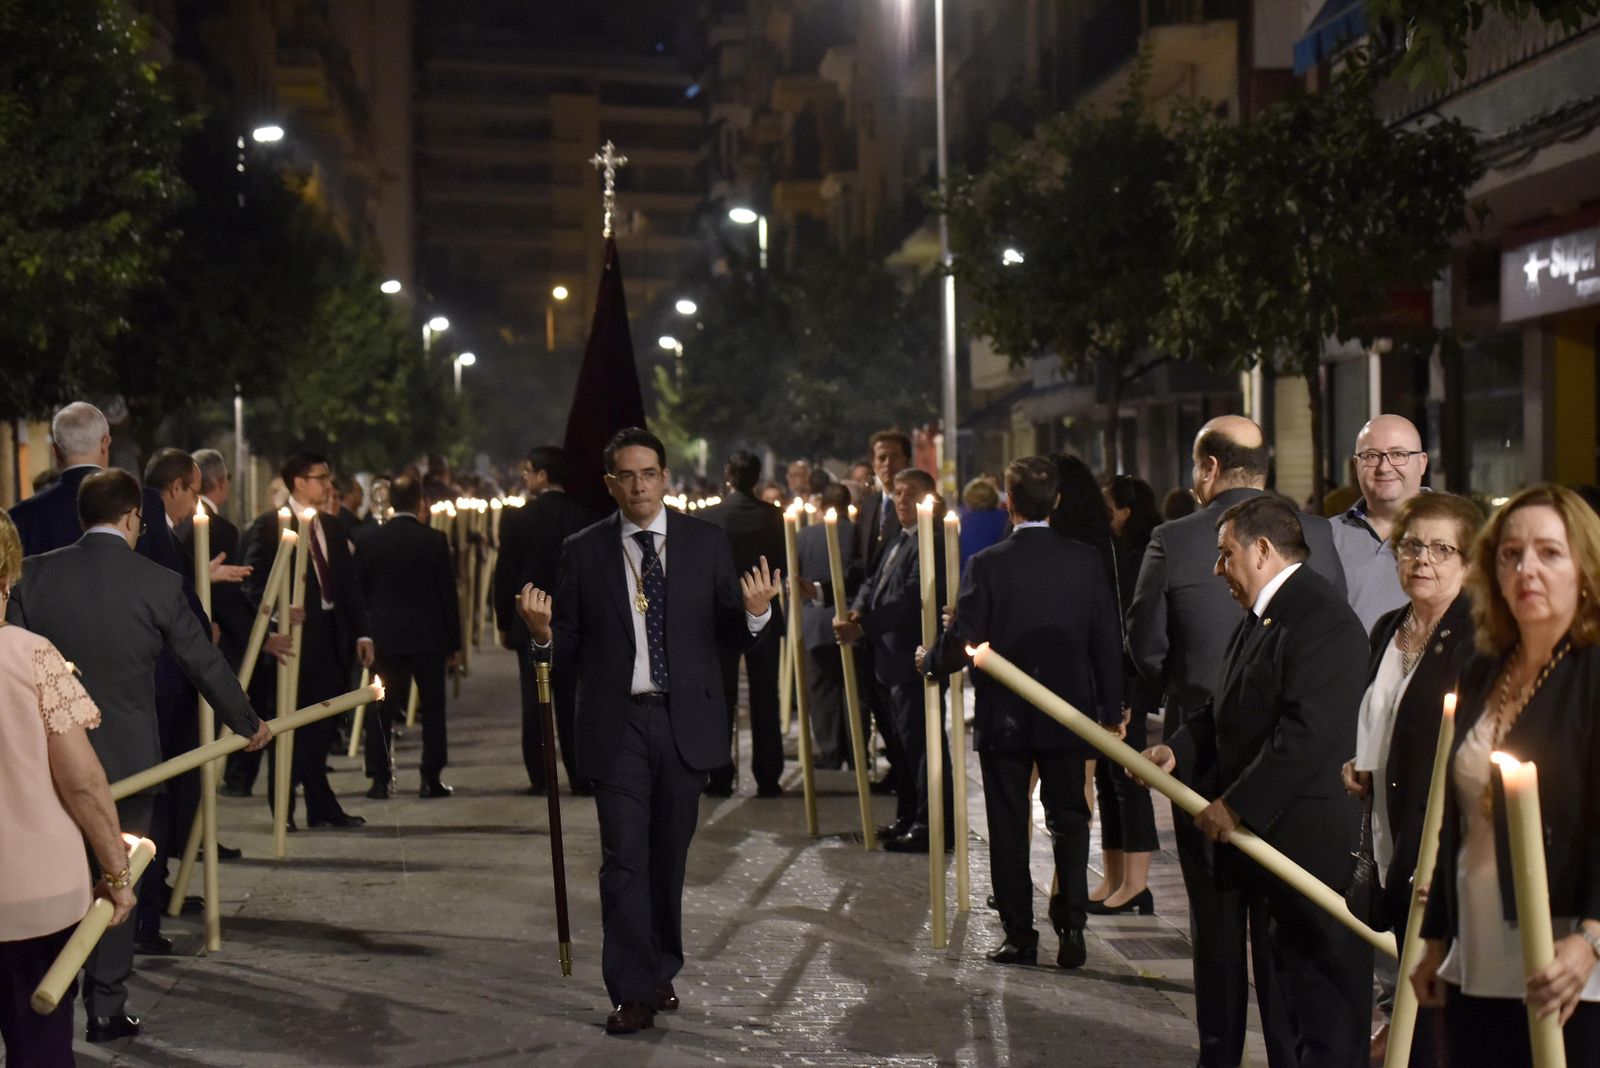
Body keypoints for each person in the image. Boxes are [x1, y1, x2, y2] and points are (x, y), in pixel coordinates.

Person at [515, 427, 780, 1036]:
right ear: (611, 484)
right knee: (624, 859)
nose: (639, 485)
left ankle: (660, 965)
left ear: (666, 478)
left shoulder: (704, 542)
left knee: (667, 856)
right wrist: (543, 635)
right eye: (626, 476)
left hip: (686, 723)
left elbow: (728, 635)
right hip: (617, 725)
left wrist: (758, 612)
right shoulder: (583, 549)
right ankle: (630, 989)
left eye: (649, 473)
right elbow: (571, 644)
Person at [5, 469, 270, 1042]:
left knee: (60, 880)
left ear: (82, 517)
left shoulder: (33, 576)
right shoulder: (157, 581)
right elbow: (203, 661)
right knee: (116, 878)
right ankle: (105, 1006)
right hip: (131, 763)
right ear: (131, 518)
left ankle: (43, 1000)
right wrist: (247, 723)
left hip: (49, 764)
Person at [1125, 414, 1347, 1068]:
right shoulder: (1307, 555)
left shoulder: (1179, 540)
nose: (1220, 569)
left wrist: (1230, 791)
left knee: (1236, 932)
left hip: (1253, 788)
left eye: (1227, 558)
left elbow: (1147, 645)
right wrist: (1183, 743)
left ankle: (1224, 1052)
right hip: (1239, 769)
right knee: (1275, 936)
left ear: (1209, 468)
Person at [1411, 484, 1600, 1066]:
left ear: (1586, 568)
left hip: (1565, 955)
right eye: (1511, 555)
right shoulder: (1484, 665)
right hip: (1477, 946)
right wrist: (1435, 933)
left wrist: (1592, 940)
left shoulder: (1592, 673)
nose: (1528, 570)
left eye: (1549, 553)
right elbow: (1458, 817)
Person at [920, 457, 1123, 969]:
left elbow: (965, 638)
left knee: (1008, 826)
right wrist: (1110, 707)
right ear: (1056, 501)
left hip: (1005, 717)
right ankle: (1072, 925)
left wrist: (929, 662)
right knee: (1070, 819)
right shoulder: (1084, 560)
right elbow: (1106, 639)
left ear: (1009, 503)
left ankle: (1019, 934)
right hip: (1069, 714)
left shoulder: (987, 564)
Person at [1339, 491, 1482, 1065]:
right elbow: (1386, 719)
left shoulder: (1478, 640)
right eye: (1412, 545)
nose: (1423, 559)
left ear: (1468, 564)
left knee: (1442, 1007)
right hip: (1387, 836)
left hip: (1441, 847)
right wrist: (1362, 763)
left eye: (1442, 548)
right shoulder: (1387, 627)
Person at [0, 511, 138, 1064]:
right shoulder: (30, 656)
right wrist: (117, 873)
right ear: (7, 577)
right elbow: (81, 782)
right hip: (33, 898)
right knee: (40, 1046)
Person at [241, 453, 372, 830]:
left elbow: (348, 586)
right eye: (320, 478)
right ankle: (283, 807)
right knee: (287, 726)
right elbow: (252, 583)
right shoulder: (268, 526)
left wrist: (362, 631)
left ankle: (320, 804)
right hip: (294, 641)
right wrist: (278, 614)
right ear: (299, 482)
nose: (328, 486)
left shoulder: (331, 526)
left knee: (322, 726)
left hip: (331, 637)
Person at [834, 466, 950, 852]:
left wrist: (863, 627)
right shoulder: (896, 538)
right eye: (898, 493)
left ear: (929, 499)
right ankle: (908, 813)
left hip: (911, 657)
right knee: (899, 746)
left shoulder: (933, 541)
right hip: (886, 659)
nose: (902, 500)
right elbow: (873, 581)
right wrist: (857, 609)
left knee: (921, 745)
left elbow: (910, 599)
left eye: (911, 493)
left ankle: (931, 822)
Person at [494, 446, 592, 794]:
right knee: (571, 700)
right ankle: (580, 774)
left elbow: (505, 573)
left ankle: (541, 777)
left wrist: (504, 621)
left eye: (529, 471)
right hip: (571, 621)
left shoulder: (519, 518)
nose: (525, 477)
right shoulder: (583, 516)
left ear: (544, 476)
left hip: (529, 618)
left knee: (535, 701)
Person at [357, 474, 460, 799]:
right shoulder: (434, 540)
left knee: (381, 710)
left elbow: (362, 592)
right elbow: (448, 594)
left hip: (386, 637)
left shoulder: (370, 539)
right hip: (429, 638)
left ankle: (378, 778)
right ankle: (431, 777)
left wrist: (366, 633)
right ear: (420, 502)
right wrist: (454, 643)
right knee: (433, 710)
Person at [1090, 475, 1162, 916]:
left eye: (1108, 504)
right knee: (1108, 779)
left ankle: (1136, 882)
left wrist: (1129, 685)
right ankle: (1115, 877)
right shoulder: (1114, 554)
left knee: (1130, 777)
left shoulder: (1138, 559)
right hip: (1115, 679)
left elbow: (1138, 627)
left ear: (1125, 512)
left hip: (1129, 681)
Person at [700, 450, 787, 797]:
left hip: (720, 614)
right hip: (764, 611)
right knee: (766, 694)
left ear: (728, 476)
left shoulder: (709, 516)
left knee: (720, 696)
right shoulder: (773, 517)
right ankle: (768, 774)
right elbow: (780, 564)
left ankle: (719, 773)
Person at [1332, 415, 1428, 632]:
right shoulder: (1326, 537)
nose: (1384, 467)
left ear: (1422, 463)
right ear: (1356, 465)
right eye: (1371, 456)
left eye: (1398, 454)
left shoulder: (1455, 533)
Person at [794, 482, 858, 769]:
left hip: (814, 622)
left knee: (821, 690)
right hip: (850, 620)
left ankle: (831, 749)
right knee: (854, 688)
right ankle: (856, 748)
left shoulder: (804, 536)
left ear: (821, 506)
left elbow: (795, 582)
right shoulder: (858, 533)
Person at [957, 476, 1009, 571]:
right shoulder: (1006, 519)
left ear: (968, 498)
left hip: (969, 574)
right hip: (999, 575)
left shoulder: (962, 520)